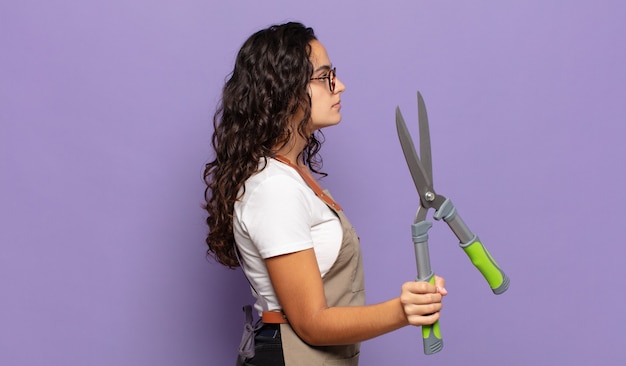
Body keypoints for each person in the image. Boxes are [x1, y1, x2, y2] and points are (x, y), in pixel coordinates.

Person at [203, 22, 447, 366]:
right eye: (325, 76)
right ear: (285, 90)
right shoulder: (273, 188)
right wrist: (402, 310)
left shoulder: (295, 176)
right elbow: (311, 323)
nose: (340, 86)